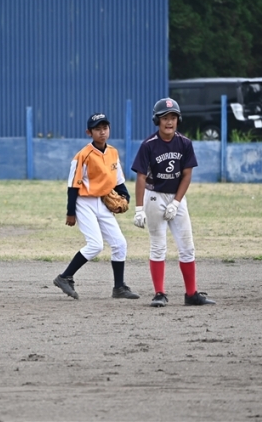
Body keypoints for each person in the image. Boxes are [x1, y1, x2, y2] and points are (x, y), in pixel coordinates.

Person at [130, 98, 215, 307]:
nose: (169, 122)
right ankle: (159, 293)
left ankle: (191, 294)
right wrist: (139, 209)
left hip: (176, 197)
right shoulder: (148, 145)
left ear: (178, 120)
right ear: (157, 120)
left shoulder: (184, 143)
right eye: (165, 118)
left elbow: (187, 175)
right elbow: (141, 177)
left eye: (173, 117)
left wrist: (176, 202)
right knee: (158, 246)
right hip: (154, 196)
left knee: (187, 247)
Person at [53, 113, 139, 300]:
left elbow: (118, 180)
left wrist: (125, 197)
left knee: (120, 244)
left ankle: (119, 287)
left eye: (105, 128)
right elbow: (73, 185)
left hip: (103, 202)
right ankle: (64, 277)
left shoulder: (113, 152)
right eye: (97, 129)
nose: (102, 132)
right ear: (89, 132)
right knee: (95, 245)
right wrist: (70, 212)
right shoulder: (83, 155)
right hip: (84, 202)